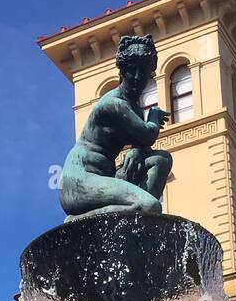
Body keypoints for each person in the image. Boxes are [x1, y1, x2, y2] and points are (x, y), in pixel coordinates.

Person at [59, 34, 173, 218]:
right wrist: (153, 117)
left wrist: (136, 150)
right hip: (79, 181)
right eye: (131, 70)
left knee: (161, 160)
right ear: (121, 72)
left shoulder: (134, 108)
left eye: (143, 71)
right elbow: (147, 135)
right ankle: (81, 222)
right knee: (150, 206)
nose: (137, 77)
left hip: (106, 177)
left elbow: (143, 144)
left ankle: (139, 226)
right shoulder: (113, 104)